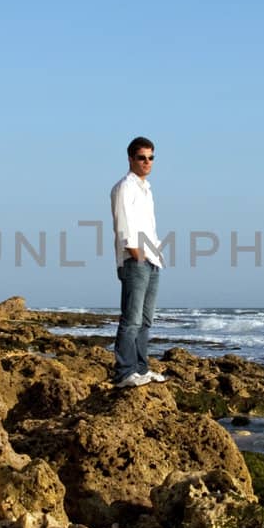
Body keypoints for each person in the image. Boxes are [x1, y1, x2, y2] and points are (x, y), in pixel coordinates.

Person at [110, 137, 167, 389]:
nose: (147, 162)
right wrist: (137, 254)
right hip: (135, 259)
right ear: (131, 159)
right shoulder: (125, 187)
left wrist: (155, 252)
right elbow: (124, 224)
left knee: (145, 320)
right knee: (131, 319)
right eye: (142, 157)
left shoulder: (146, 188)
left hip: (152, 259)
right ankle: (124, 372)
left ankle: (141, 369)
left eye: (151, 157)